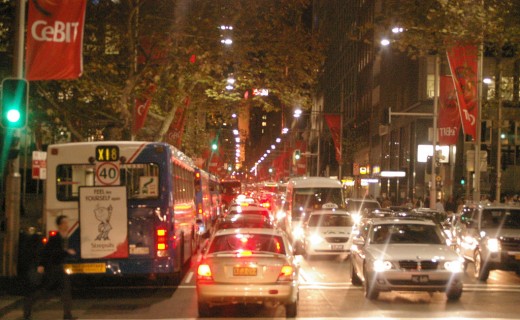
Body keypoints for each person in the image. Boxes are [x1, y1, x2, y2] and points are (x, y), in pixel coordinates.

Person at [23, 215, 76, 320]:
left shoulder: (64, 236)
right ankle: (27, 307)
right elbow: (47, 252)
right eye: (65, 223)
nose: (67, 224)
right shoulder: (55, 238)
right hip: (53, 267)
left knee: (66, 290)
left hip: (60, 268)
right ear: (60, 225)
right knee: (44, 290)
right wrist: (41, 265)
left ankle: (67, 316)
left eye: (67, 222)